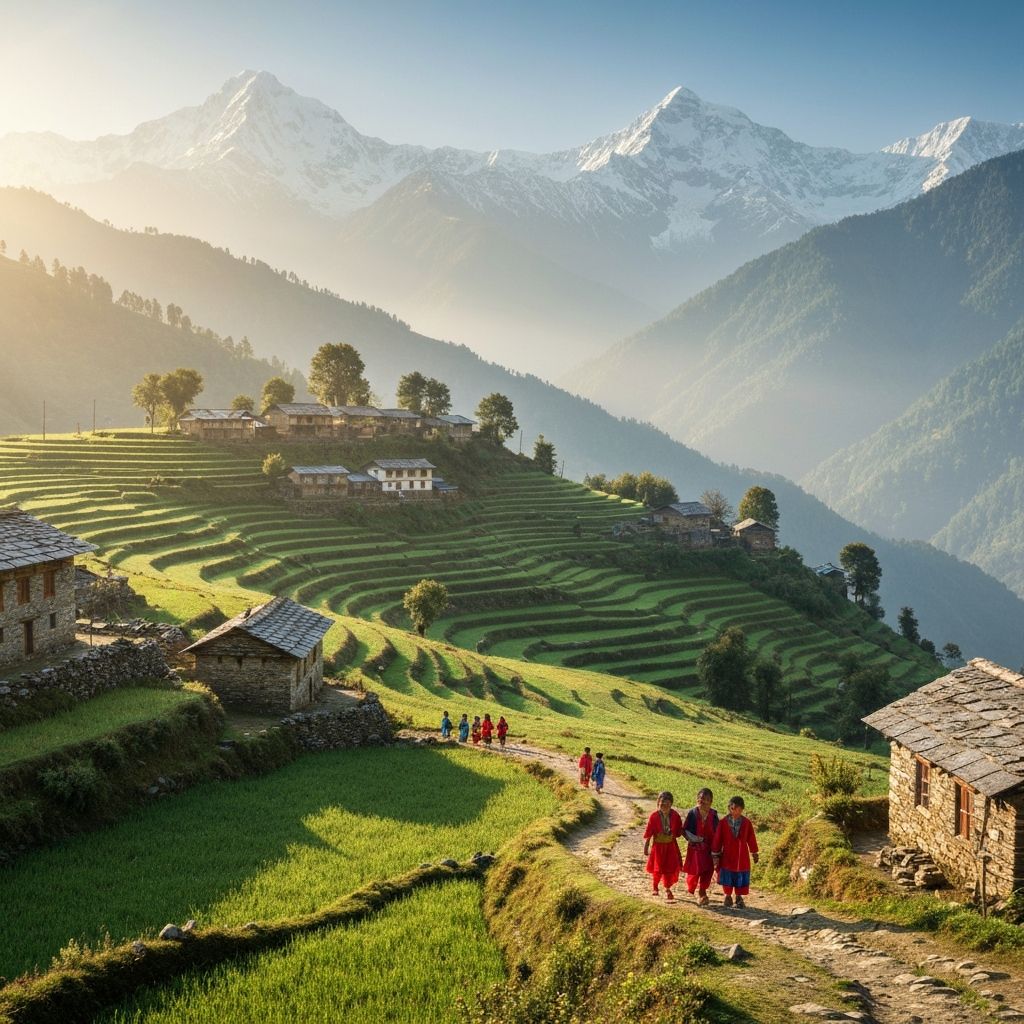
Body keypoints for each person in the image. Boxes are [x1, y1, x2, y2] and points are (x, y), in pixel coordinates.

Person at [711, 796, 759, 908]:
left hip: (741, 857)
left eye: (736, 808)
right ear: (729, 808)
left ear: (742, 809)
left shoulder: (746, 823)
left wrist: (754, 852)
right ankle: (727, 895)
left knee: (740, 878)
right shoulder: (723, 822)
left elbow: (751, 838)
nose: (733, 810)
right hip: (727, 856)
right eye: (731, 807)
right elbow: (717, 839)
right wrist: (715, 854)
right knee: (727, 877)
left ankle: (738, 897)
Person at [643, 791, 684, 901]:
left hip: (670, 846)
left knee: (669, 868)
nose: (663, 805)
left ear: (671, 804)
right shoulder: (654, 816)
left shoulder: (675, 816)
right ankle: (655, 887)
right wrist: (646, 846)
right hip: (658, 847)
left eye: (666, 803)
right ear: (658, 803)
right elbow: (649, 831)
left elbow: (679, 830)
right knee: (658, 867)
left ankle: (667, 888)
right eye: (661, 803)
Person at [682, 788, 719, 906]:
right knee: (696, 869)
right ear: (697, 799)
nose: (704, 801)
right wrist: (692, 839)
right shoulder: (693, 813)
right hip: (696, 848)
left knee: (708, 869)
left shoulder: (713, 815)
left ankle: (702, 891)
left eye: (707, 799)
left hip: (709, 848)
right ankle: (693, 887)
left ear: (711, 801)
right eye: (702, 798)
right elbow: (685, 829)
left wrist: (718, 849)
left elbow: (718, 832)